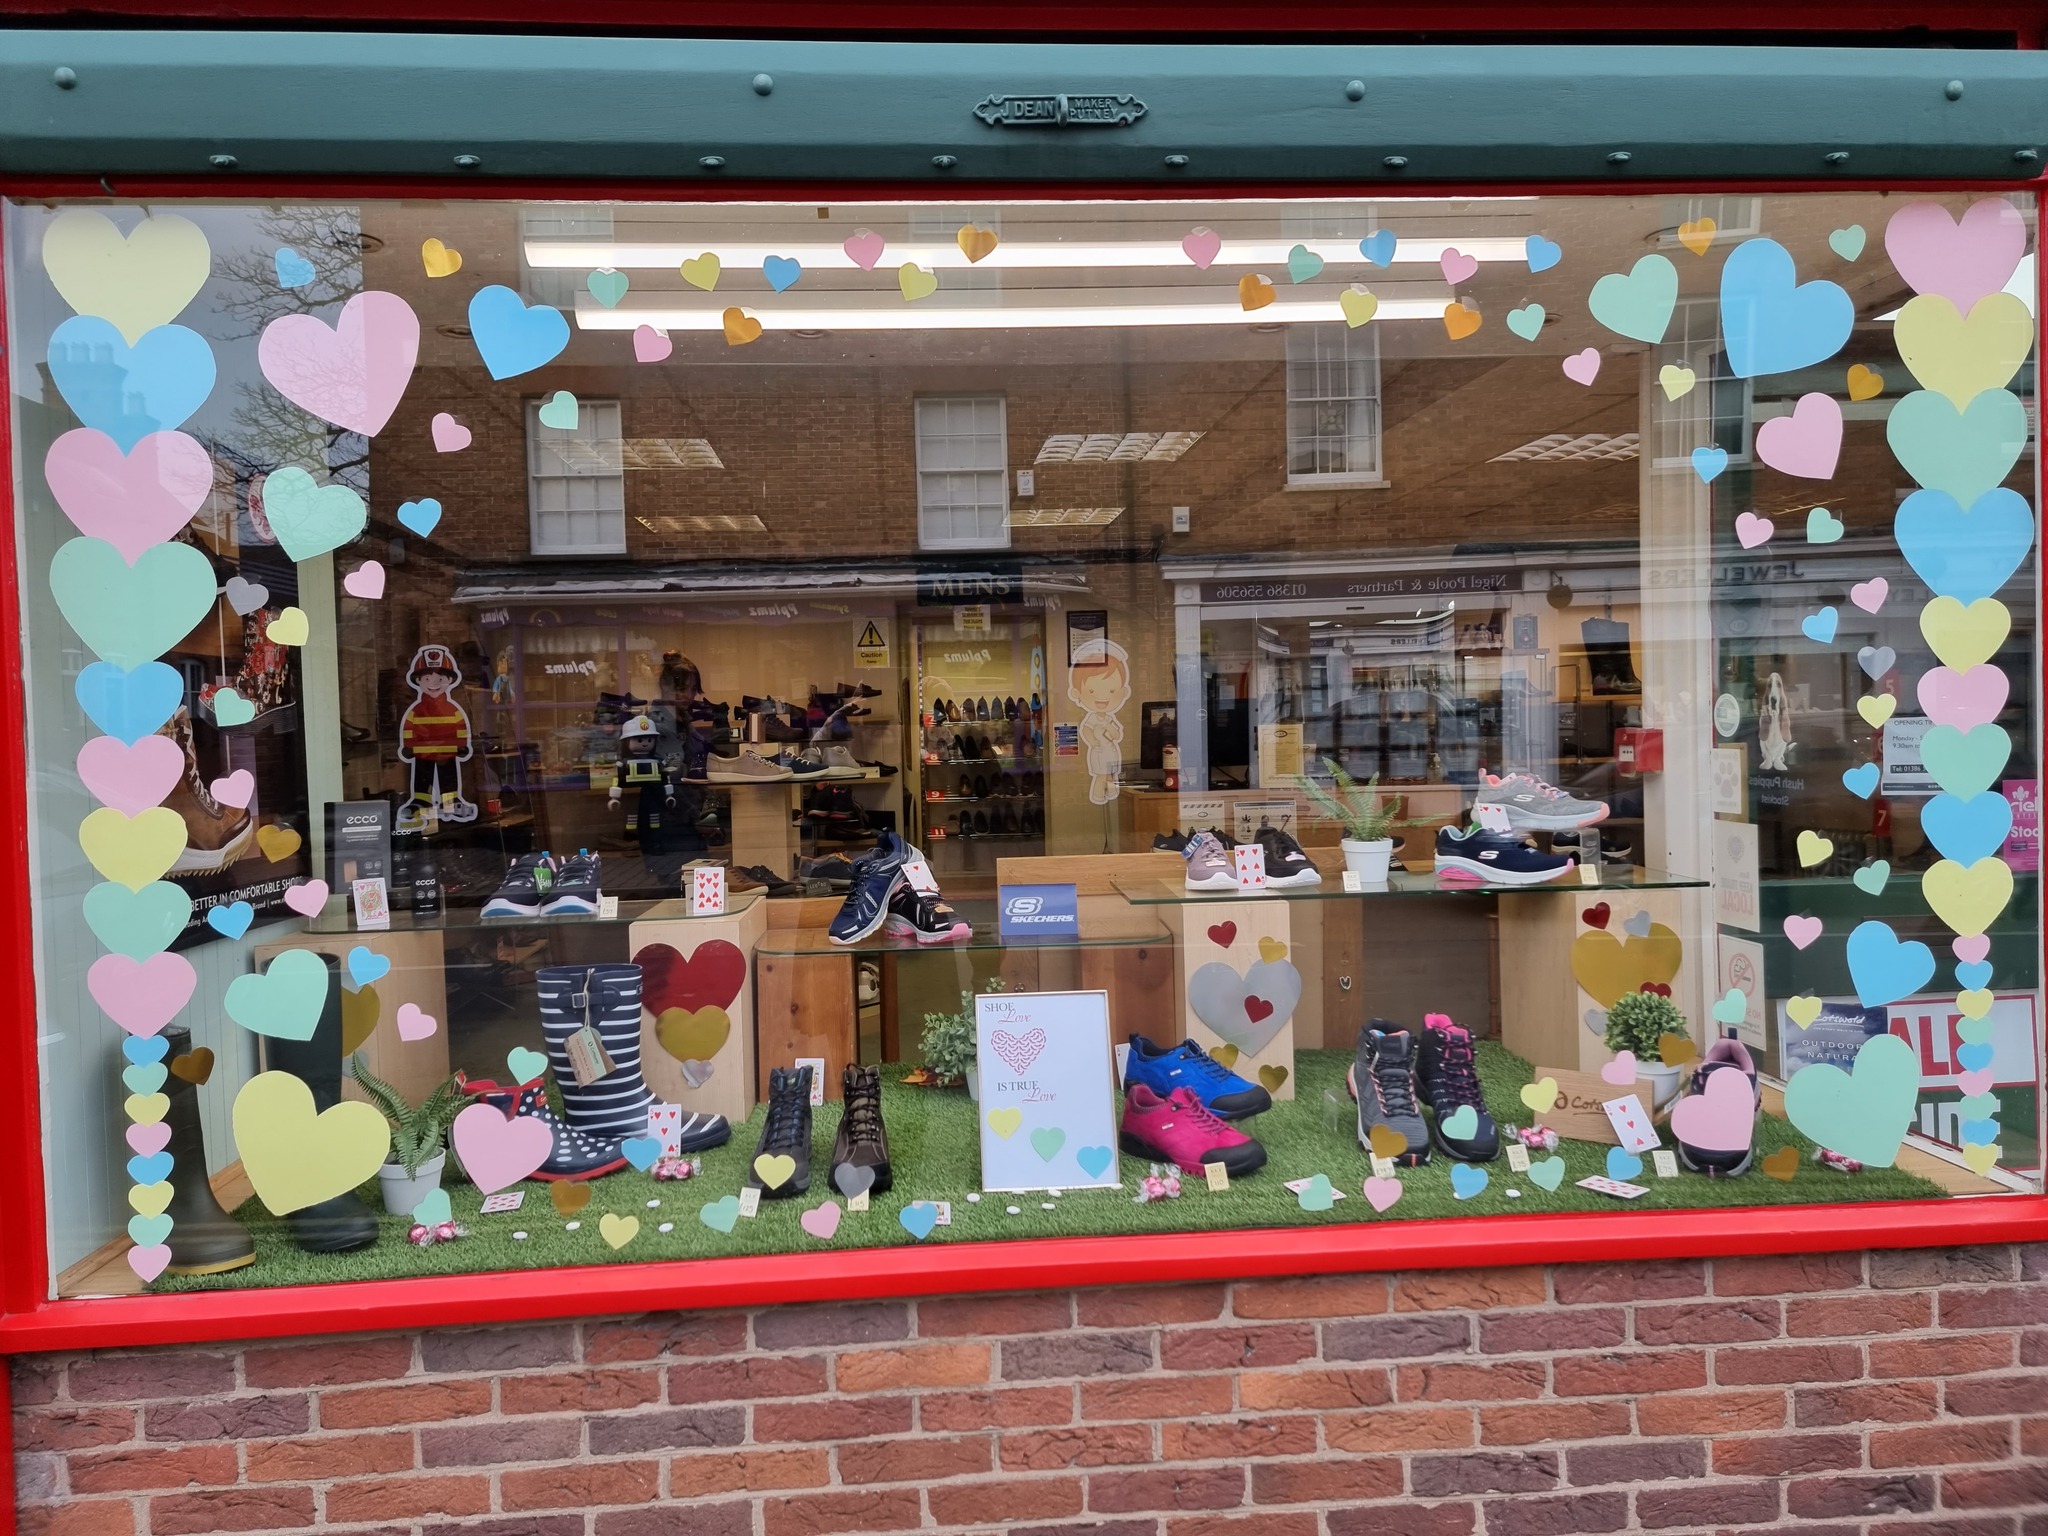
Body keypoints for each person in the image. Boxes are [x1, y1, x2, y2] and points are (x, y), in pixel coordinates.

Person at [397, 644, 475, 830]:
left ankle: (450, 803)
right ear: (418, 681)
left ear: (449, 680)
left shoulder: (452, 709)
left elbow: (460, 728)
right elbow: (408, 728)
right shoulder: (416, 710)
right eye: (427, 678)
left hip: (447, 754)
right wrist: (408, 746)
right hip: (422, 755)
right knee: (422, 778)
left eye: (440, 678)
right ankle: (420, 801)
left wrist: (462, 745)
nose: (434, 683)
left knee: (448, 778)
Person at [1067, 638, 1133, 806]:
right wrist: (1093, 741)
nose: (1102, 697)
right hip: (1099, 751)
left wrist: (1110, 728)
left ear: (1123, 692)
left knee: (1110, 775)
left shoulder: (1109, 718)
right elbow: (1086, 730)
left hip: (1110, 752)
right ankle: (1098, 796)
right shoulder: (1092, 718)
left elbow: (1116, 735)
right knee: (1101, 776)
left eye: (1111, 690)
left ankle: (1112, 796)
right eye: (1091, 690)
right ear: (1077, 693)